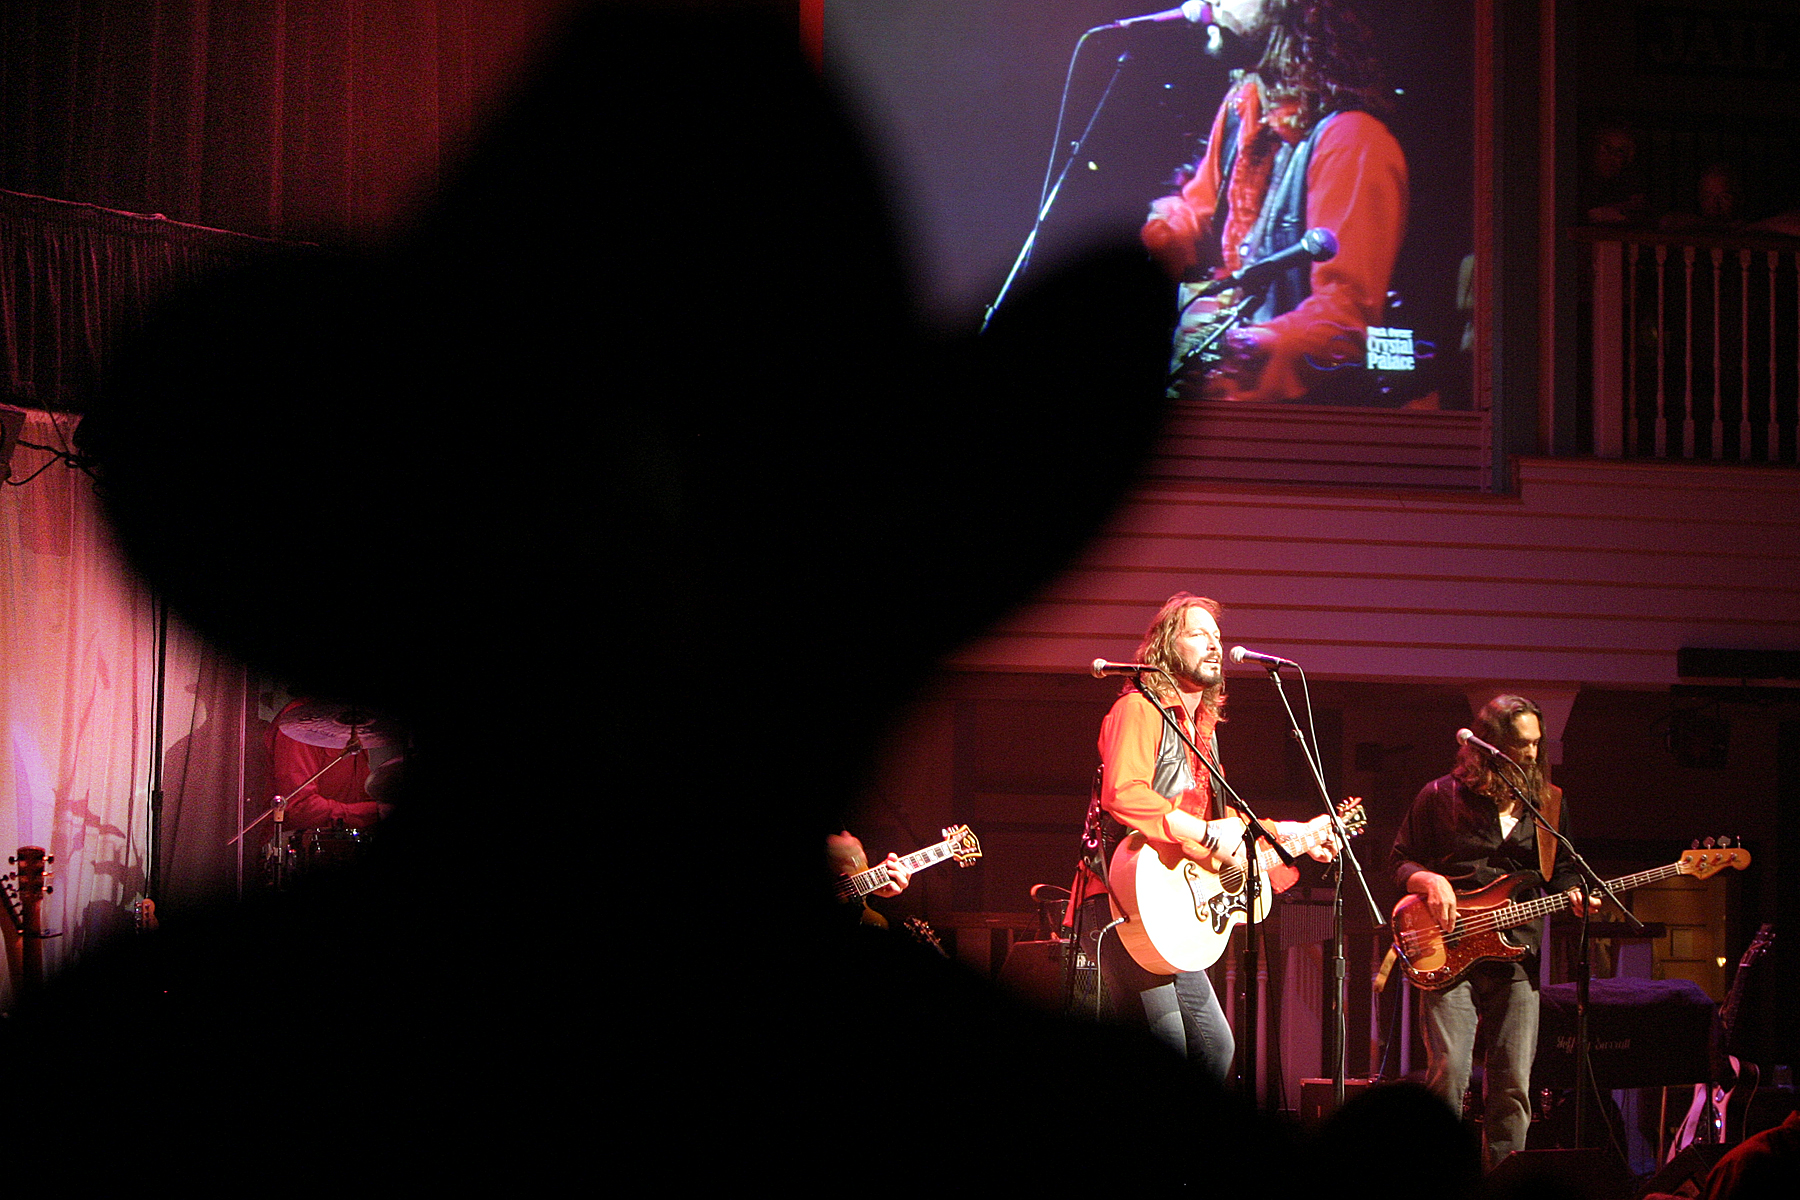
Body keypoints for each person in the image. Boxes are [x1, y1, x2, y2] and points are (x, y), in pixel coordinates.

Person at [1096, 592, 1335, 1083]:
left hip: (1173, 913)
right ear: (1165, 646)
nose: (1214, 644)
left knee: (1215, 1048)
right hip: (1126, 902)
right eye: (1198, 633)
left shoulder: (1202, 735)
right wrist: (1205, 830)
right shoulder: (1140, 708)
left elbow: (1222, 838)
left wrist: (1294, 837)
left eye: (1217, 636)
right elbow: (1123, 793)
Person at [1140, 0, 1408, 404]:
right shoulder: (1243, 106)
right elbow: (1198, 213)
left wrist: (1234, 355)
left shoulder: (1354, 141)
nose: (1202, 5)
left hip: (1307, 430)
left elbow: (1343, 320)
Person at [1388, 694, 1601, 1170]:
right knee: (1450, 1074)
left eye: (1535, 744)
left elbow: (1562, 869)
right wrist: (1427, 879)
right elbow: (1400, 858)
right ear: (1490, 745)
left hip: (1518, 951)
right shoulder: (1439, 795)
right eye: (1521, 744)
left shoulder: (1548, 803)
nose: (1531, 753)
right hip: (1449, 948)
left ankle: (1503, 1185)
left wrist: (1575, 894)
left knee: (1512, 1085)